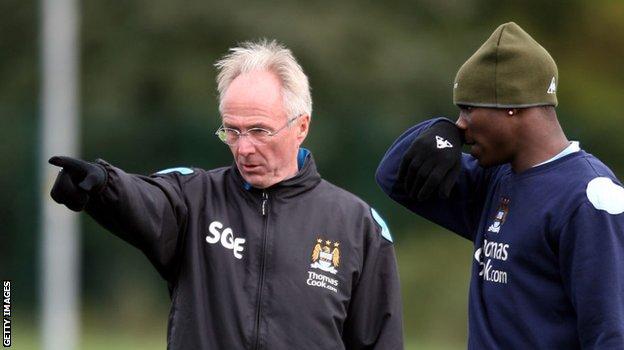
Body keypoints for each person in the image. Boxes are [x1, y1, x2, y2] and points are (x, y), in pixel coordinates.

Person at [49, 40, 403, 349]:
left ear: (302, 127)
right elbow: (145, 200)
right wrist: (102, 187)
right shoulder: (194, 199)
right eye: (232, 131)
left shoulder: (359, 228)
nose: (243, 148)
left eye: (259, 130)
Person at [376, 22, 624, 349]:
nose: (461, 124)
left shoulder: (590, 197)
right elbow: (395, 176)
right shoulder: (494, 178)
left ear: (512, 107)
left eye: (467, 109)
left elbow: (610, 333)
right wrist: (441, 131)